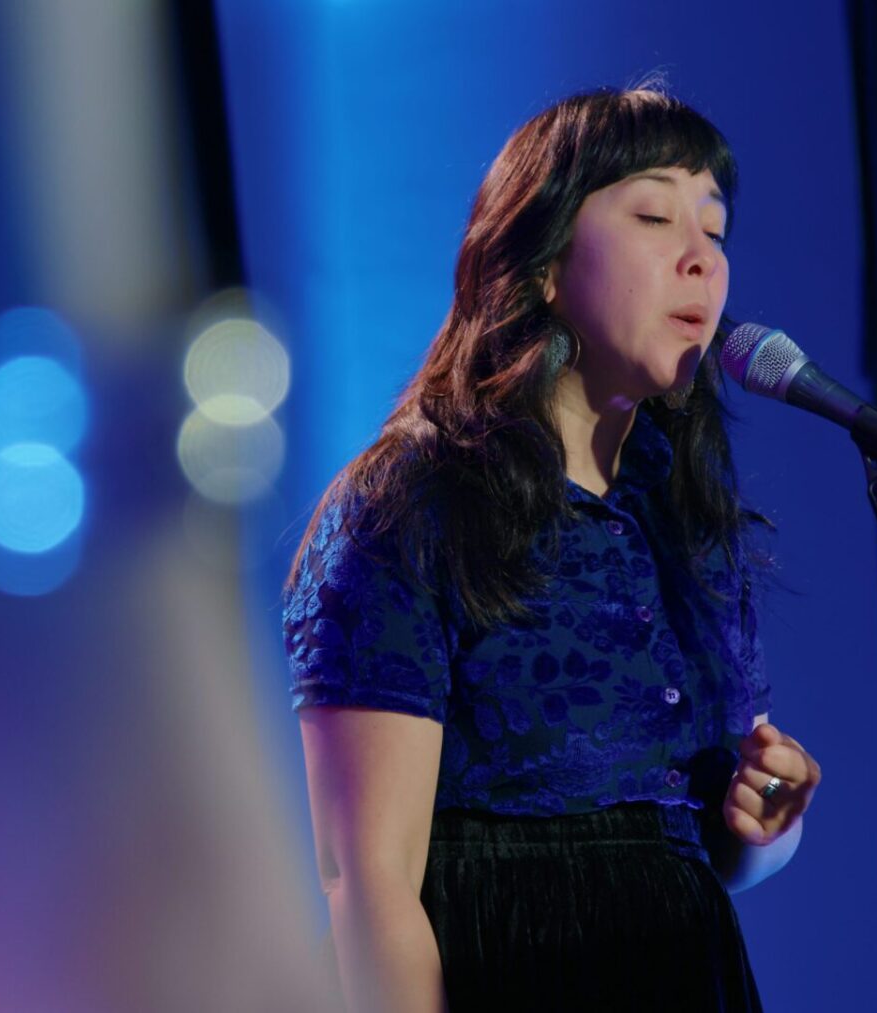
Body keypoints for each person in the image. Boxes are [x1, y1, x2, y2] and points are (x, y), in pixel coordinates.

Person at [281, 85, 823, 1012]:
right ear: (541, 262)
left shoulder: (683, 521)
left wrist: (764, 826)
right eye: (654, 214)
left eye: (717, 229)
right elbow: (368, 886)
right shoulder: (411, 501)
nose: (701, 259)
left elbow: (684, 853)